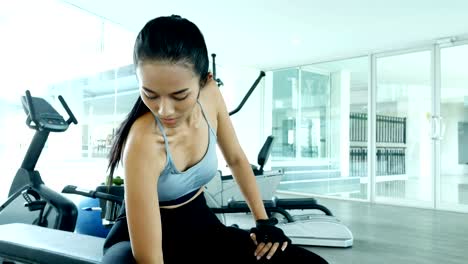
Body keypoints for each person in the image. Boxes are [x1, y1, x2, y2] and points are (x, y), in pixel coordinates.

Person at [102, 14, 328, 264]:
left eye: (179, 96)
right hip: (137, 243)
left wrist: (263, 222)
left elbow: (236, 158)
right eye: (150, 94)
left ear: (205, 80)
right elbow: (149, 258)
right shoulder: (143, 140)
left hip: (200, 226)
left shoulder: (211, 98)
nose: (163, 110)